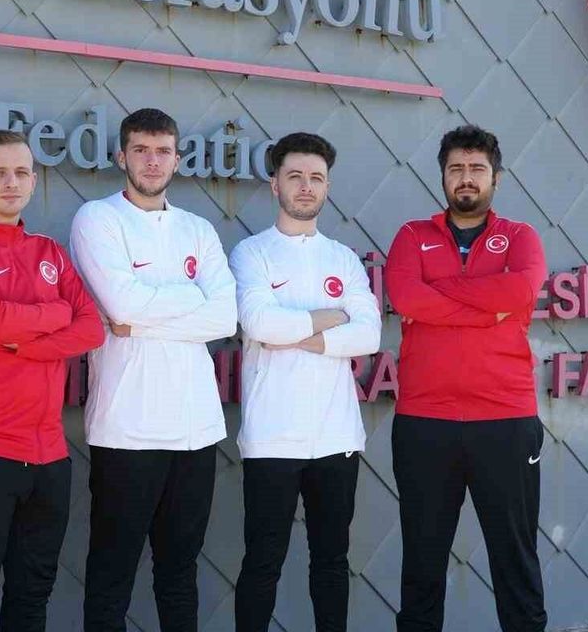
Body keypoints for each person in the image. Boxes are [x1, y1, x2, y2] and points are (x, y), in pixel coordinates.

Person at [0, 130, 106, 632]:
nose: (12, 182)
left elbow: (91, 328)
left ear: (33, 180)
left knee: (32, 597)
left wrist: (26, 343)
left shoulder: (49, 251)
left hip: (48, 453)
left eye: (22, 172)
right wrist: (55, 314)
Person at [69, 108, 238, 632]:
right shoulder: (97, 219)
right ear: (121, 156)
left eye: (163, 151)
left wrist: (139, 318)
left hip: (196, 430)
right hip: (126, 428)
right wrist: (185, 304)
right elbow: (121, 304)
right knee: (111, 574)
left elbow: (225, 316)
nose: (152, 161)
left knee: (179, 573)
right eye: (141, 150)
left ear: (177, 159)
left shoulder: (197, 229)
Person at [384, 125, 548, 632]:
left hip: (506, 419)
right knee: (422, 561)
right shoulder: (412, 235)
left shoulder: (521, 237)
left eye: (477, 168)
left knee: (515, 558)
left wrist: (440, 295)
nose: (466, 178)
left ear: (496, 177)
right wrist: (486, 305)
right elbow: (406, 297)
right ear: (443, 176)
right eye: (456, 168)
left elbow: (521, 291)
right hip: (425, 421)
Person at [228, 132, 382, 632]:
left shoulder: (343, 258)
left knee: (332, 563)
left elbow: (369, 334)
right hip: (272, 436)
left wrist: (298, 335)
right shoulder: (251, 253)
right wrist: (331, 320)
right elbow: (260, 324)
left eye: (316, 177)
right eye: (294, 176)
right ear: (275, 184)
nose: (306, 186)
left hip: (336, 437)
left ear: (327, 186)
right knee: (262, 562)